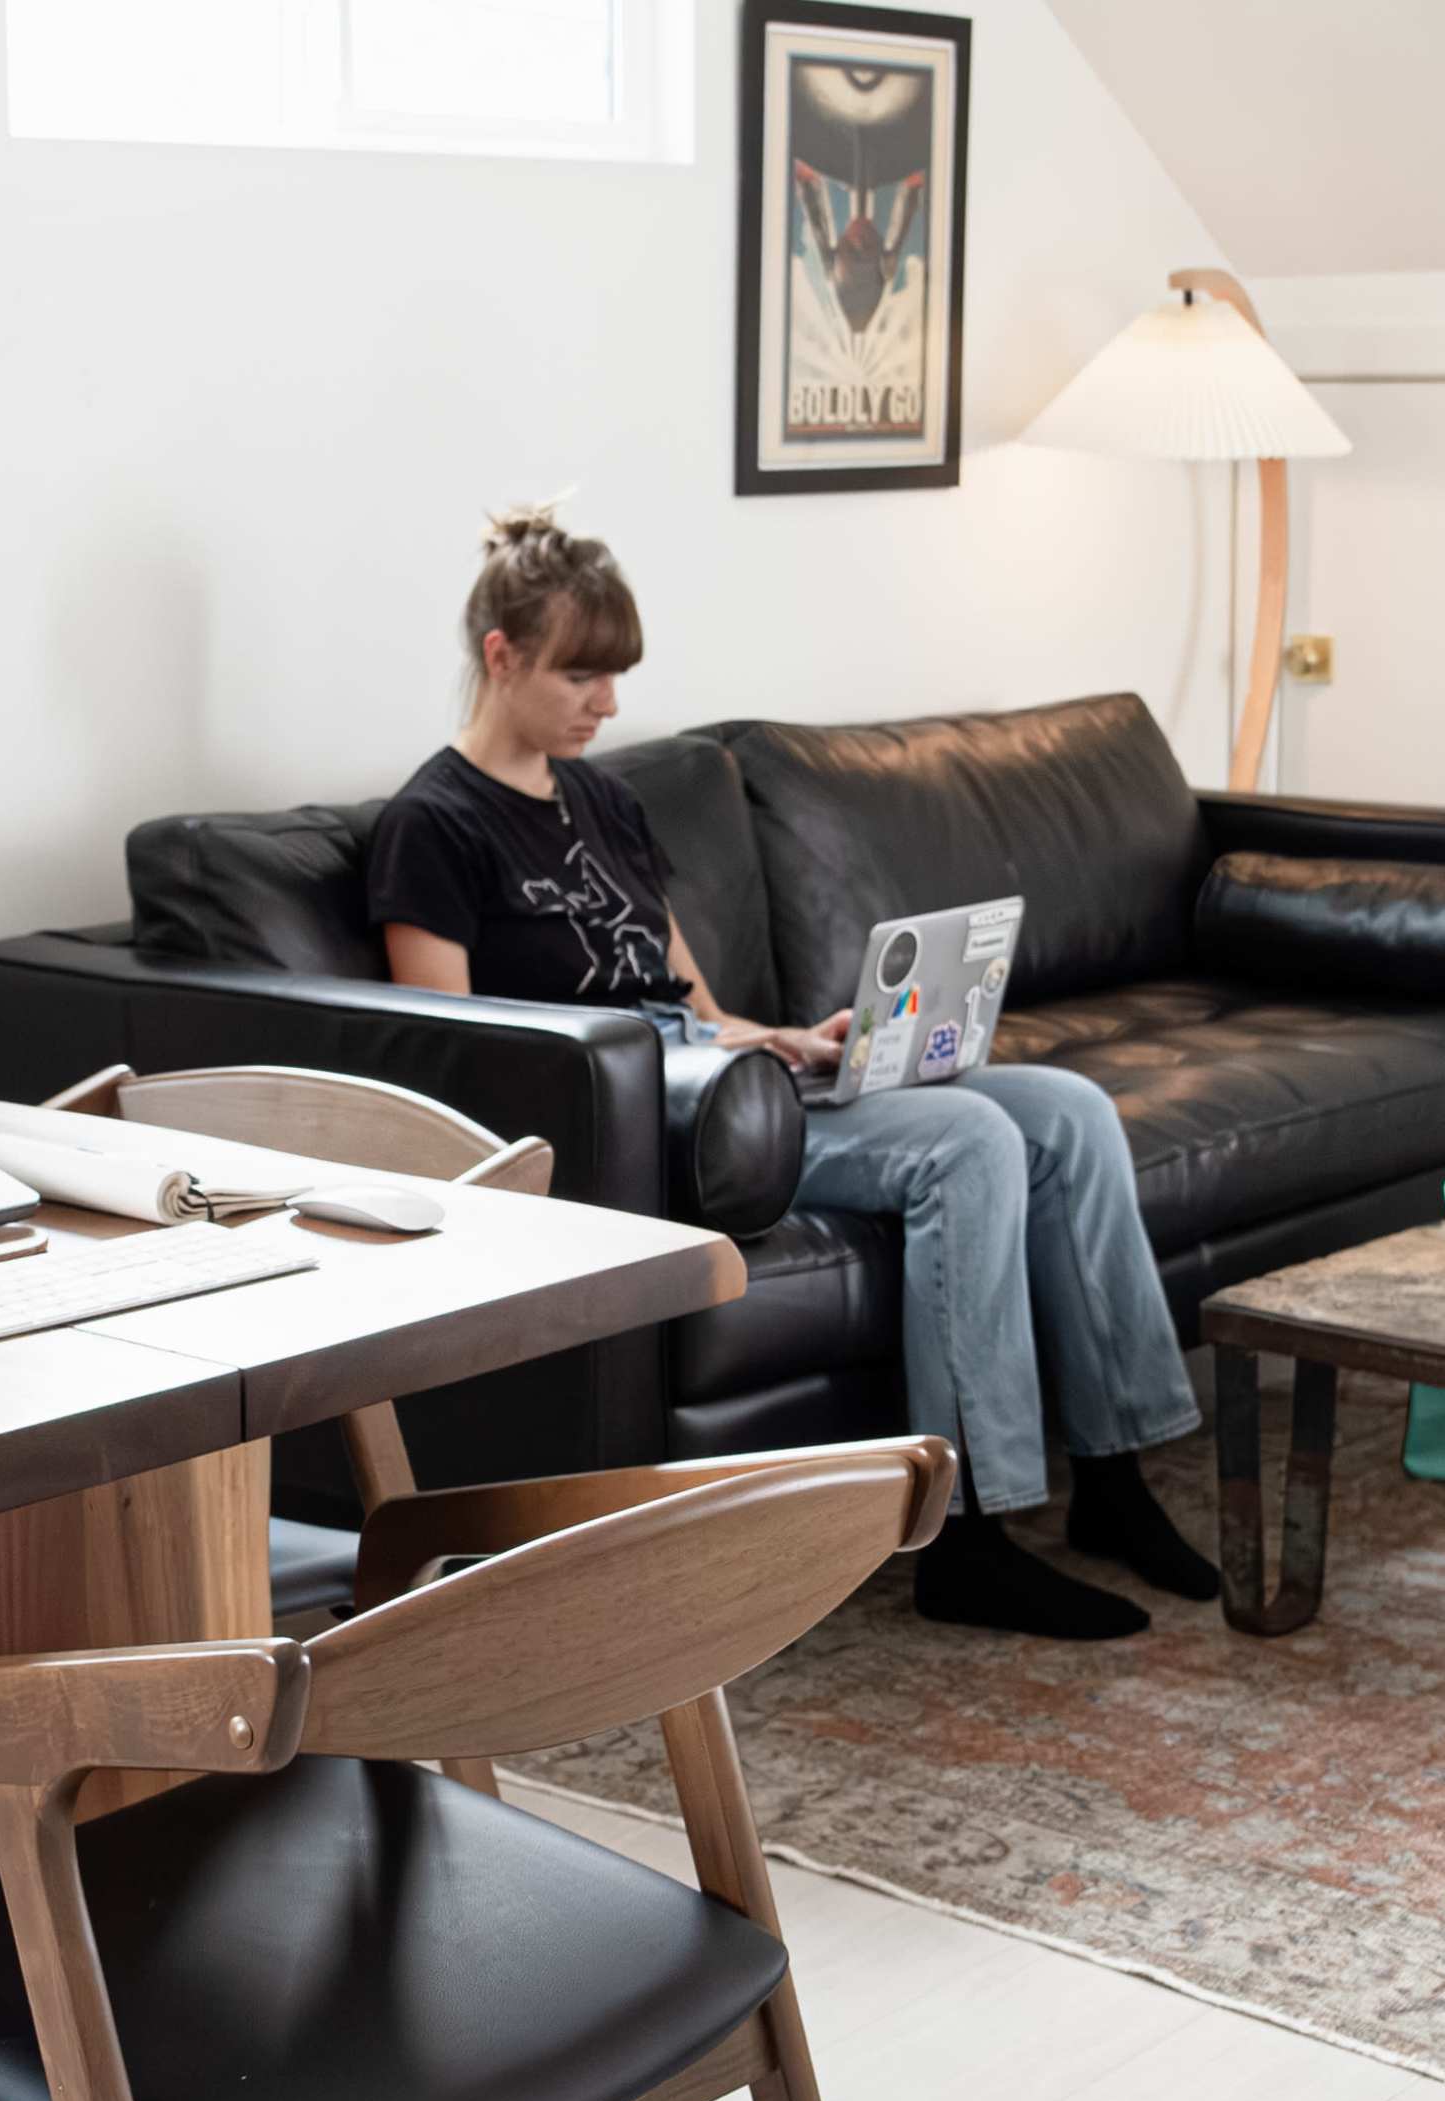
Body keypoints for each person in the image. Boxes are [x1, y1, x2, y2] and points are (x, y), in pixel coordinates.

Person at [368, 507, 1217, 1639]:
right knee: (969, 1146)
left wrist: (795, 1042)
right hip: (641, 1121)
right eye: (583, 676)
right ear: (501, 656)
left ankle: (1113, 1478)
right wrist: (697, 1062)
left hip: (727, 1080)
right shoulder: (433, 824)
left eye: (617, 676)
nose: (608, 704)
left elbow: (694, 1004)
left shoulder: (606, 802)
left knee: (1064, 1110)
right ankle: (965, 1537)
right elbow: (463, 1056)